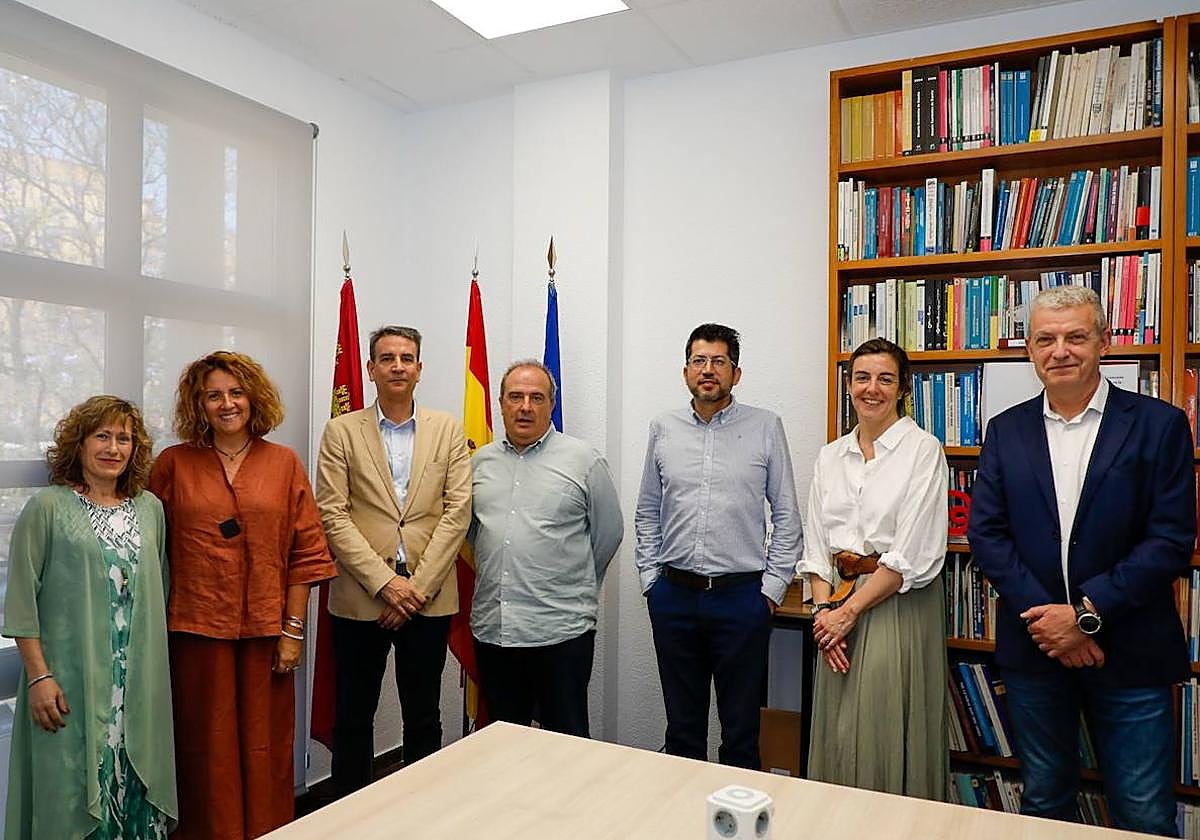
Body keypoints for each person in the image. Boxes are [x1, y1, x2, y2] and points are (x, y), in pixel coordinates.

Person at [968, 286, 1194, 836]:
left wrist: (1087, 614)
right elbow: (987, 534)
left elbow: (1170, 539)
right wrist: (1051, 621)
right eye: (1045, 339)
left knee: (1141, 810)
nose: (1060, 350)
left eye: (1075, 336)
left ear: (1103, 341)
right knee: (1045, 801)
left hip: (1132, 648)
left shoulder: (1158, 424)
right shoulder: (1006, 429)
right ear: (1028, 349)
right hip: (1035, 647)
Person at [149, 351, 334, 840]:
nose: (226, 403)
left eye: (235, 392)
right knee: (202, 747)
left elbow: (307, 554)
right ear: (199, 404)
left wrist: (293, 632)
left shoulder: (284, 464)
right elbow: (147, 548)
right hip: (194, 631)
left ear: (254, 397)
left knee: (264, 747)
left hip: (268, 634)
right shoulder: (173, 465)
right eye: (214, 395)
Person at [4, 396, 176, 840]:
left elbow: (160, 589)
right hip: (69, 685)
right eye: (102, 436)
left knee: (137, 789)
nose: (113, 448)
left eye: (124, 438)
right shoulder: (48, 508)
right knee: (68, 799)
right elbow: (22, 601)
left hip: (138, 686)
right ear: (78, 444)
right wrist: (39, 677)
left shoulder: (151, 509)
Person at [634, 322, 802, 769]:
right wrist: (651, 580)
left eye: (719, 362)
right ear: (686, 370)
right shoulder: (663, 428)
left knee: (741, 731)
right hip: (674, 598)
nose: (708, 370)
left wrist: (770, 590)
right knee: (683, 730)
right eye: (699, 361)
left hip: (741, 600)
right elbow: (647, 510)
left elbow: (787, 515)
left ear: (736, 373)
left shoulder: (766, 427)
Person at [315, 325, 471, 796]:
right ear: (371, 369)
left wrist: (415, 588)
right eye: (387, 358)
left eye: (407, 358)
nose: (397, 366)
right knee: (353, 716)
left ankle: (422, 814)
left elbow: (457, 510)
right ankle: (346, 816)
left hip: (428, 596)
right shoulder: (341, 431)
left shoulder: (448, 429)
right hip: (362, 598)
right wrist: (387, 584)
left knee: (423, 715)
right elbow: (332, 513)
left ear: (420, 369)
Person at [798, 338, 949, 800]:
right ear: (848, 385)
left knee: (883, 730)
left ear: (903, 387)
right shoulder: (830, 456)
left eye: (885, 378)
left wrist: (847, 614)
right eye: (862, 377)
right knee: (839, 731)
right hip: (835, 606)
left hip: (893, 606)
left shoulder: (923, 451)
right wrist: (824, 615)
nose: (872, 389)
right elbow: (818, 545)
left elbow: (909, 553)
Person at [470, 360, 623, 736]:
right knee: (504, 743)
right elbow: (473, 533)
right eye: (516, 397)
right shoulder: (479, 463)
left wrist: (569, 583)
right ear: (501, 404)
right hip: (496, 630)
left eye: (536, 397)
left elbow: (608, 534)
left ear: (551, 405)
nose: (525, 407)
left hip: (561, 632)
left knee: (566, 743)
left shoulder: (583, 460)